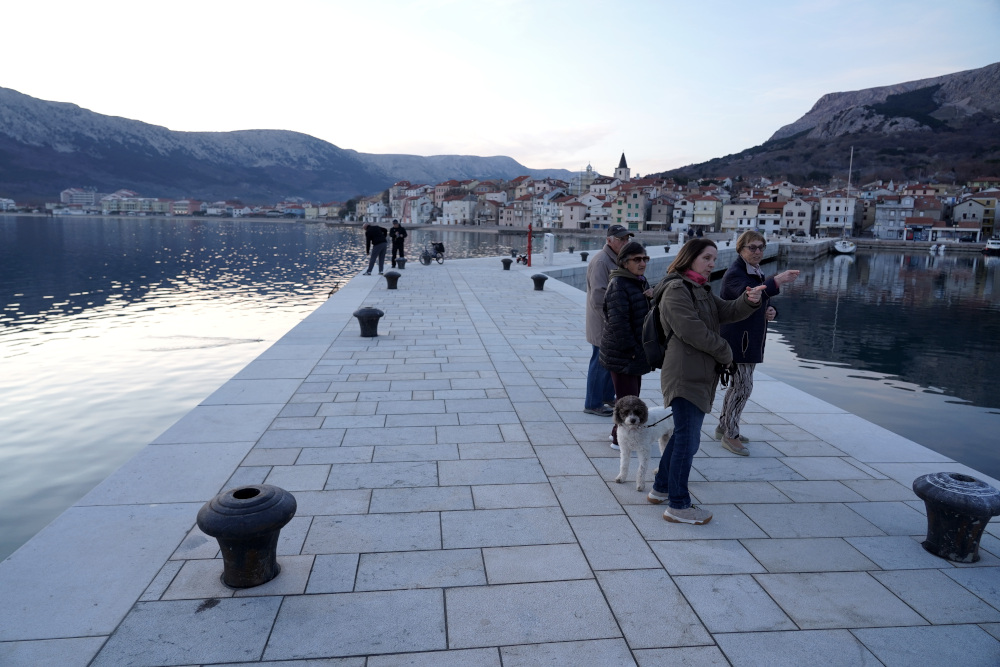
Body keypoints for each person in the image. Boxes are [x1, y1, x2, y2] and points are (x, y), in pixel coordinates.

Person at [647, 238, 765, 525]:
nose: (713, 263)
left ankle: (661, 488)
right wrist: (727, 351)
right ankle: (679, 505)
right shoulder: (677, 289)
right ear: (689, 258)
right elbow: (692, 331)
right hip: (685, 373)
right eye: (707, 258)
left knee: (682, 437)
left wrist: (748, 301)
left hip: (698, 372)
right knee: (688, 440)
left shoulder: (698, 287)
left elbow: (725, 311)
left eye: (714, 258)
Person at [716, 231, 800, 455]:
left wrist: (772, 311)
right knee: (743, 388)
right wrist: (779, 280)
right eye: (752, 247)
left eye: (761, 247)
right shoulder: (735, 274)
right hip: (738, 341)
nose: (758, 252)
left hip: (749, 339)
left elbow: (761, 302)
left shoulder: (754, 272)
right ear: (740, 249)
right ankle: (730, 435)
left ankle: (724, 425)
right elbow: (750, 295)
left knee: (737, 386)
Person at [599, 241, 654, 447]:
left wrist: (653, 296)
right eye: (637, 259)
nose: (642, 263)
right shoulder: (619, 284)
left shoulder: (638, 281)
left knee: (631, 396)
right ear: (624, 262)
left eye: (645, 258)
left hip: (635, 352)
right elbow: (618, 323)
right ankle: (618, 438)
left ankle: (617, 433)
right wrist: (631, 351)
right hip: (624, 353)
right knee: (626, 400)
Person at [584, 224, 633, 425]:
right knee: (599, 362)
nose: (625, 242)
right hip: (603, 321)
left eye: (626, 239)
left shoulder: (615, 259)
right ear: (609, 240)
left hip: (611, 320)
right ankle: (592, 403)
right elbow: (598, 297)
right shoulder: (602, 261)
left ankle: (605, 396)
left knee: (608, 362)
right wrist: (613, 318)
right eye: (621, 239)